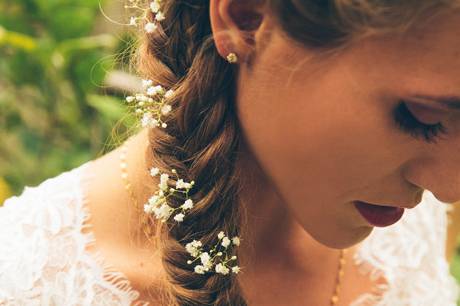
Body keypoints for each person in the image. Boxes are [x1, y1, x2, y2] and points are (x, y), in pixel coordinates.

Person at [1, 0, 460, 305]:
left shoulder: (403, 224)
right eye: (421, 118)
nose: (449, 189)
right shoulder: (25, 283)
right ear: (245, 19)